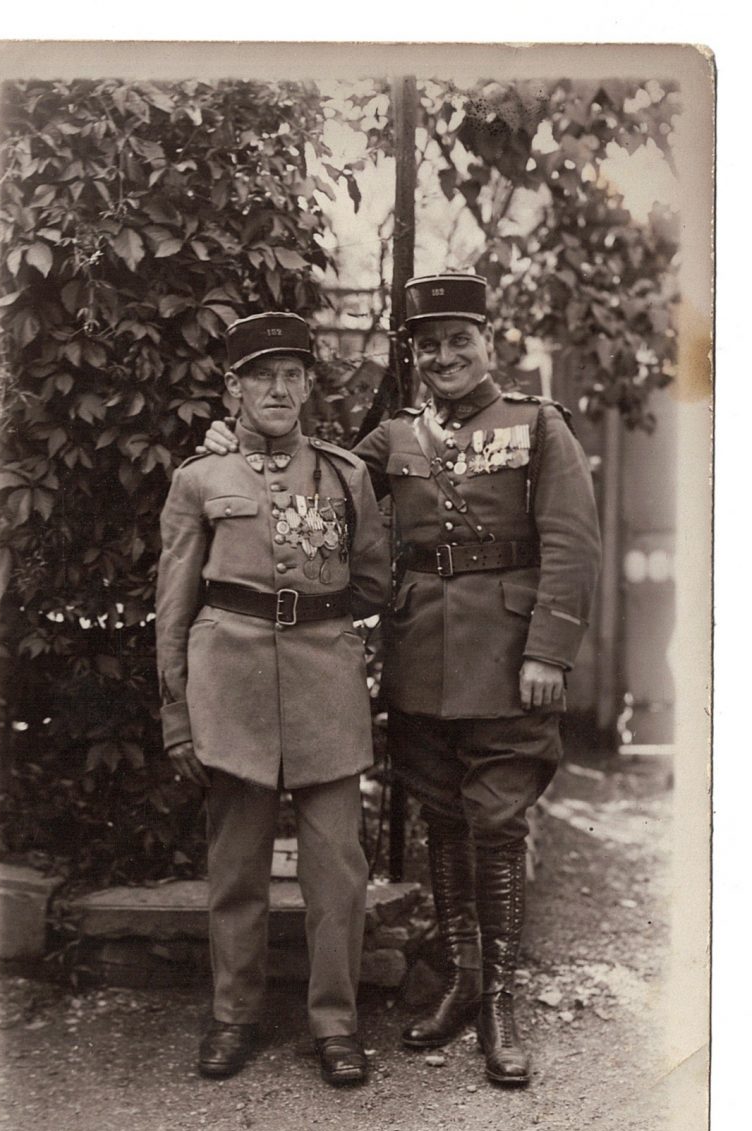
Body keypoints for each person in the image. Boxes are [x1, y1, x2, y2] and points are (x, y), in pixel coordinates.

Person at [202, 275, 601, 1086]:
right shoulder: (393, 440)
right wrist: (231, 450)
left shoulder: (537, 426)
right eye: (430, 345)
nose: (445, 357)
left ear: (491, 341)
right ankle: (457, 981)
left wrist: (549, 654)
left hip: (509, 662)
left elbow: (571, 545)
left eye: (461, 339)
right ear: (413, 356)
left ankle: (500, 1001)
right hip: (422, 663)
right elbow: (317, 484)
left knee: (498, 822)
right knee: (443, 818)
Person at [156, 311, 391, 1086]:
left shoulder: (344, 475)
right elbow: (174, 604)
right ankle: (233, 1016)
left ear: (310, 386)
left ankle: (335, 1024)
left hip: (324, 683)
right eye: (262, 375)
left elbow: (372, 583)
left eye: (293, 374)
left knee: (336, 868)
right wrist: (177, 713)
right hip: (233, 688)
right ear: (234, 390)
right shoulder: (201, 480)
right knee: (236, 868)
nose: (279, 389)